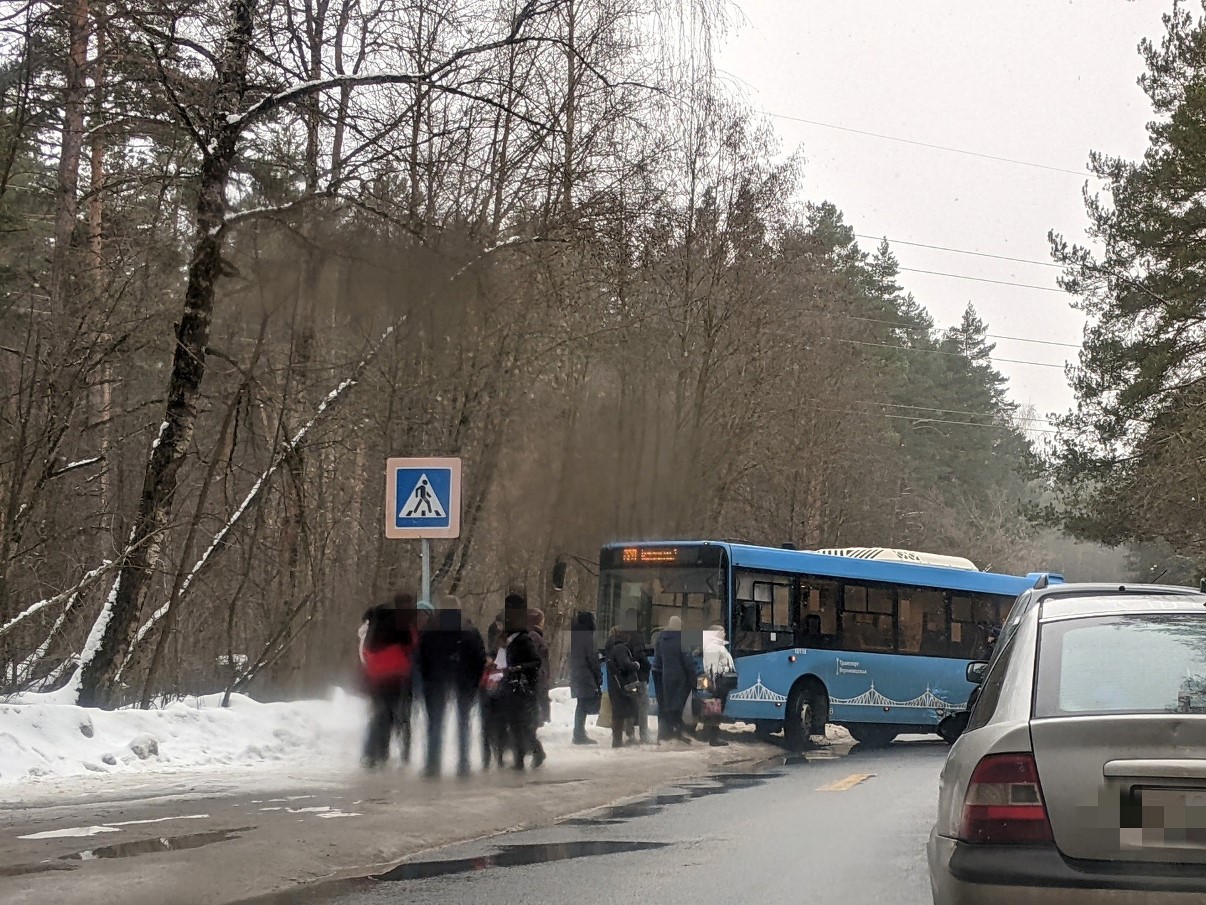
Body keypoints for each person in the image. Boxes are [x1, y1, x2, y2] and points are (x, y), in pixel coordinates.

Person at [417, 594, 486, 777]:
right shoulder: (469, 628)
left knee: (435, 724)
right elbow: (479, 657)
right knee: (463, 722)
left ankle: (433, 764)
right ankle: (463, 763)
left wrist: (425, 680)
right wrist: (474, 681)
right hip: (463, 681)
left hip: (435, 681)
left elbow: (420, 658)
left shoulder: (430, 629)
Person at [360, 602, 418, 767]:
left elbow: (365, 651)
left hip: (376, 675)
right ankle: (389, 754)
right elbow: (412, 644)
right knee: (394, 714)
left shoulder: (374, 626)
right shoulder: (401, 623)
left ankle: (372, 753)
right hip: (396, 674)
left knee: (379, 713)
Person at [502, 593, 545, 770]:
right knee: (515, 723)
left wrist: (516, 669)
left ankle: (534, 752)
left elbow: (535, 662)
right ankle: (520, 758)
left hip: (522, 687)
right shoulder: (513, 639)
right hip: (514, 685)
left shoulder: (524, 640)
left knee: (521, 724)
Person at [654, 615, 696, 743]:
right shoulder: (682, 639)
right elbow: (687, 660)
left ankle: (663, 732)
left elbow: (658, 658)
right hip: (680, 676)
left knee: (665, 704)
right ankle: (677, 733)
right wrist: (693, 677)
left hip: (665, 675)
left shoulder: (661, 638)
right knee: (678, 705)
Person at [569, 611, 602, 745]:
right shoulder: (588, 637)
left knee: (580, 703)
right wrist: (598, 676)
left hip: (576, 674)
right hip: (585, 675)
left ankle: (579, 732)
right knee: (583, 705)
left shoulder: (576, 636)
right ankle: (579, 734)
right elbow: (593, 659)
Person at [700, 624, 736, 747]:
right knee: (715, 709)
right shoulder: (713, 647)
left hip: (721, 683)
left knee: (715, 708)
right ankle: (713, 738)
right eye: (722, 632)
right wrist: (713, 684)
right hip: (718, 683)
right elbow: (711, 668)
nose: (724, 634)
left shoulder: (717, 646)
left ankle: (709, 734)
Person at [604, 626, 640, 748]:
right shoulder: (620, 648)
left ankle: (617, 740)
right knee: (630, 710)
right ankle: (624, 739)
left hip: (615, 684)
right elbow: (625, 665)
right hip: (624, 685)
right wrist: (635, 665)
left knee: (618, 713)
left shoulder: (610, 648)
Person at [481, 616, 509, 767]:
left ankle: (494, 755)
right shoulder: (498, 648)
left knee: (494, 724)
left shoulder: (504, 646)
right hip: (493, 687)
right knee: (493, 724)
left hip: (495, 688)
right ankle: (493, 755)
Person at [621, 608, 652, 745]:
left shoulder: (622, 635)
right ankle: (644, 736)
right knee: (642, 707)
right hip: (639, 676)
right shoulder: (637, 636)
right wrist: (646, 665)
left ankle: (629, 734)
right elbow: (639, 655)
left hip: (627, 677)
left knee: (630, 706)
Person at [528, 608, 552, 728]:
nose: (543, 623)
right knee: (536, 704)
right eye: (541, 621)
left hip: (538, 675)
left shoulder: (534, 635)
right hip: (537, 676)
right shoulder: (534, 636)